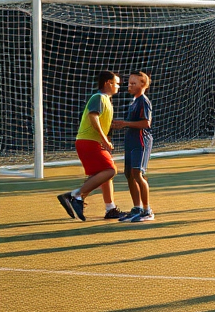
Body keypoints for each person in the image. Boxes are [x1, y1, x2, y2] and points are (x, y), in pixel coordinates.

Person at [56, 70, 123, 222]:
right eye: (117, 83)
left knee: (103, 175)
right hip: (89, 141)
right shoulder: (98, 97)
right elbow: (93, 117)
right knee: (111, 170)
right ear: (108, 83)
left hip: (90, 142)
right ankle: (75, 195)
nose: (119, 86)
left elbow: (102, 121)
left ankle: (110, 208)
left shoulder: (106, 100)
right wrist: (104, 139)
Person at [111, 71, 154, 222]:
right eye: (129, 83)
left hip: (141, 141)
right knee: (129, 174)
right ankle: (137, 208)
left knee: (137, 174)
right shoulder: (133, 101)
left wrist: (125, 123)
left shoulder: (143, 101)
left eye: (133, 83)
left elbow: (146, 123)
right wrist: (120, 125)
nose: (130, 86)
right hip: (131, 141)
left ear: (143, 85)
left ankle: (147, 210)